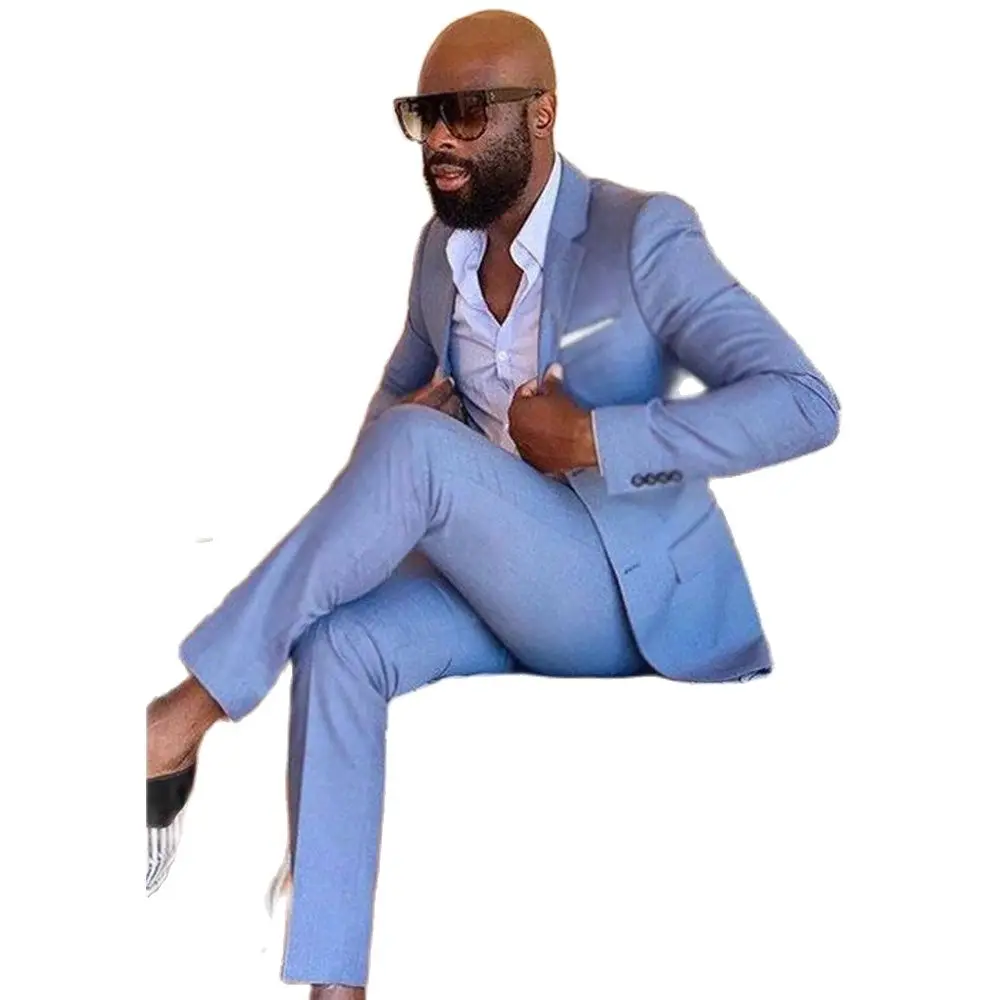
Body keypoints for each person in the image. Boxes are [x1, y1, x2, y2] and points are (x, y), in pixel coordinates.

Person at [146, 9, 840, 998]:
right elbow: (395, 409)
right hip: (495, 587)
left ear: (541, 114)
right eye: (425, 114)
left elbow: (803, 403)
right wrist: (403, 432)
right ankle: (333, 987)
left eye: (467, 113)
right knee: (338, 641)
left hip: (622, 594)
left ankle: (187, 714)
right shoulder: (441, 254)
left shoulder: (641, 236)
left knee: (416, 454)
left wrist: (597, 438)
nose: (439, 138)